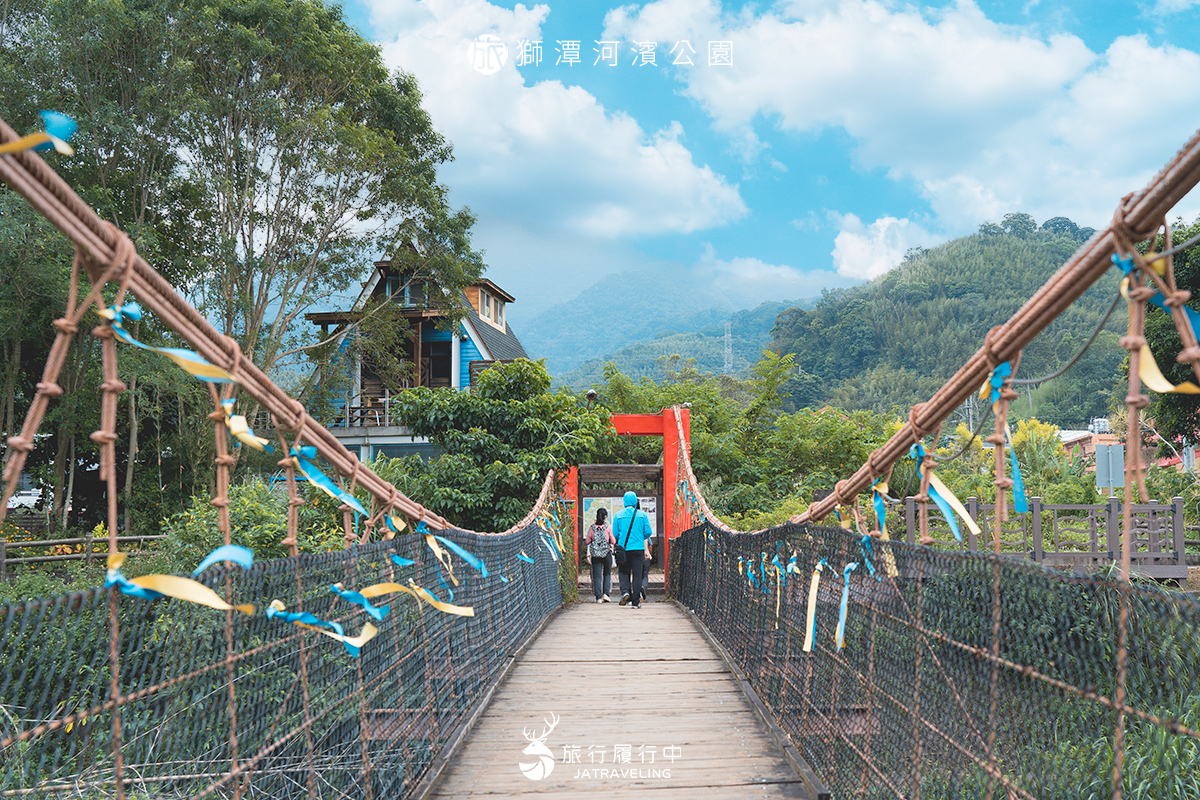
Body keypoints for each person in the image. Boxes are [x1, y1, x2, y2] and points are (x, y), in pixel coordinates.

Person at [613, 491, 652, 609]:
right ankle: (635, 602)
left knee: (623, 572)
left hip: (624, 549)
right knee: (637, 575)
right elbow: (648, 532)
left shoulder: (618, 515)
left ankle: (625, 592)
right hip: (638, 549)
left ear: (624, 501)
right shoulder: (642, 515)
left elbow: (615, 533)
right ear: (635, 501)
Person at [584, 507, 615, 603]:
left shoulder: (592, 527)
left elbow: (587, 541)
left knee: (597, 576)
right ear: (605, 517)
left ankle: (598, 597)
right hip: (606, 553)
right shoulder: (608, 527)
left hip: (595, 555)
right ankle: (606, 594)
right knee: (607, 573)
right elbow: (613, 541)